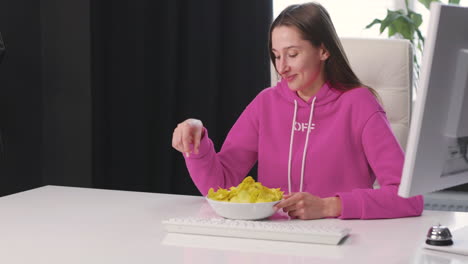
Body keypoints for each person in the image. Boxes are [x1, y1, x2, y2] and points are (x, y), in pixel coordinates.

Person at [171, 2, 423, 220]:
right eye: (276, 56)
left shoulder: (359, 103)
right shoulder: (265, 103)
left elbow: (409, 198)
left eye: (292, 54)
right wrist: (196, 143)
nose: (282, 67)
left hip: (343, 240)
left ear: (323, 51)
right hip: (275, 243)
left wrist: (328, 206)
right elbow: (221, 185)